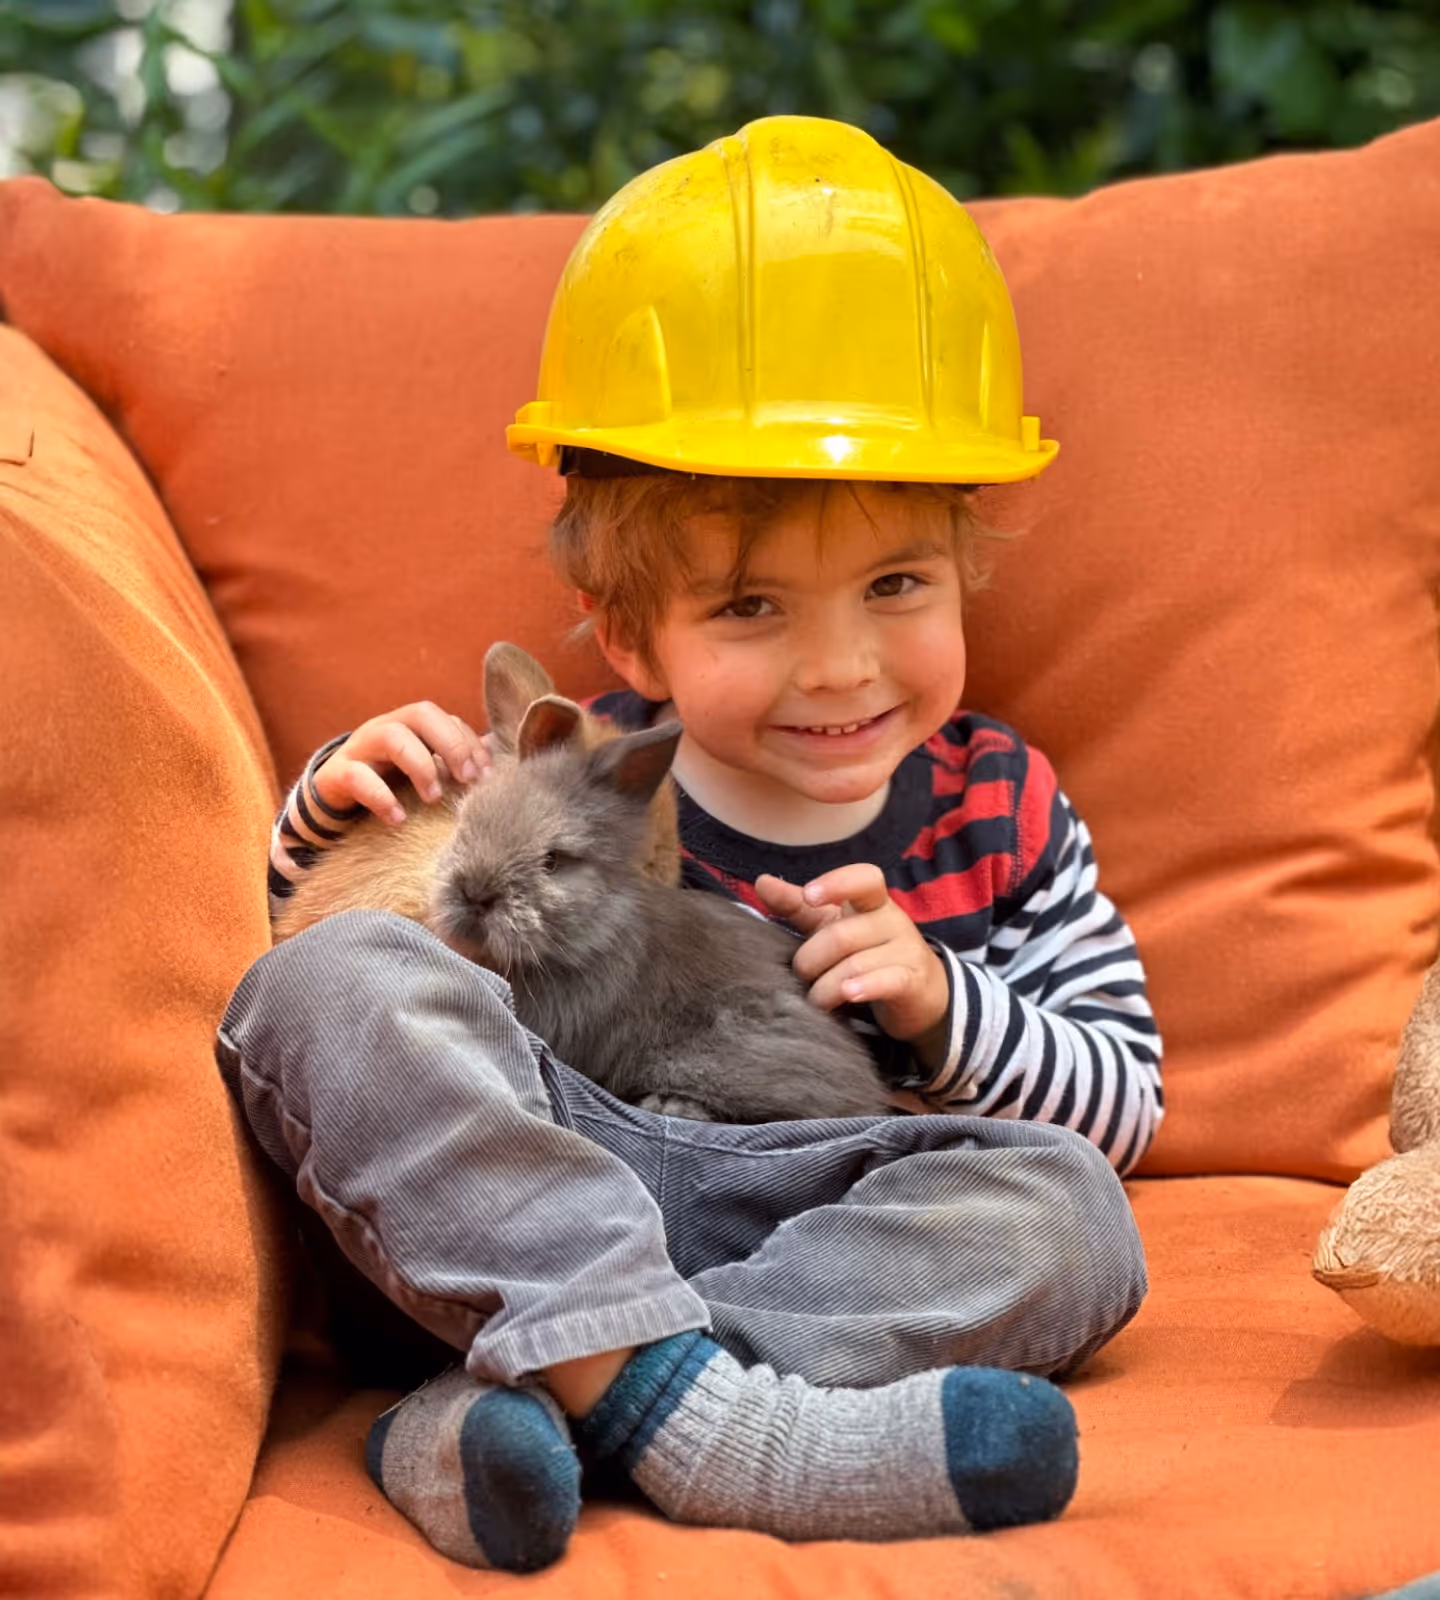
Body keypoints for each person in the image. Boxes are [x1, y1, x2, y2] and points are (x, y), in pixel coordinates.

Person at [216, 114, 1162, 1574]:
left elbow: (1126, 1101)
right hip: (529, 1168)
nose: (841, 666)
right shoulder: (564, 761)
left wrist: (942, 1005)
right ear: (625, 629)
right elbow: (323, 970)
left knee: (1071, 1213)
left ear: (969, 562)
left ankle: (551, 1398)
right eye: (751, 608)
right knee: (327, 990)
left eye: (896, 584)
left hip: (805, 1215)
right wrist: (332, 807)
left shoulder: (1003, 806)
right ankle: (721, 1433)